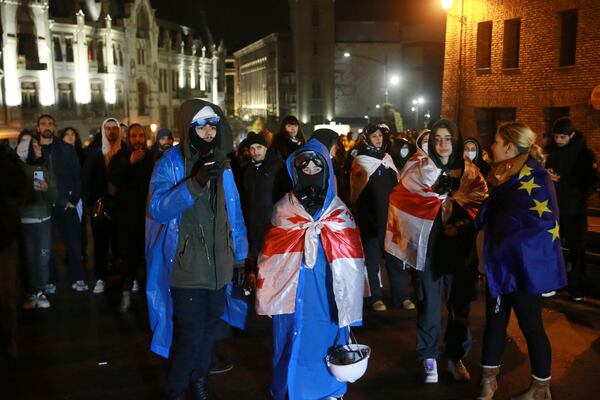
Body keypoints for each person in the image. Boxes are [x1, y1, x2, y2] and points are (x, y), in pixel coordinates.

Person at [146, 100, 247, 400]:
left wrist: (240, 259)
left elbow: (234, 214)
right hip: (186, 267)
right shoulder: (170, 163)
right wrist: (194, 184)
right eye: (200, 125)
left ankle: (200, 381)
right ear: (188, 128)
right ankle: (177, 388)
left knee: (208, 332)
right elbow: (157, 209)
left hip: (219, 266)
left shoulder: (224, 164)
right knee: (190, 333)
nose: (207, 132)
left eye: (212, 125)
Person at [255, 139, 366, 400]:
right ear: (295, 171)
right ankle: (291, 389)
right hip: (292, 291)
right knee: (291, 343)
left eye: (318, 164)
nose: (312, 169)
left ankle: (329, 390)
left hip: (327, 291)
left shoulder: (339, 211)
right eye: (305, 165)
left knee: (327, 340)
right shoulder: (284, 208)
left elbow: (352, 259)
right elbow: (270, 254)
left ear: (327, 168)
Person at [385, 119, 488, 384]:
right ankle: (428, 357)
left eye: (448, 139)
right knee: (428, 305)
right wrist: (434, 202)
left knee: (459, 307)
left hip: (460, 250)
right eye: (437, 139)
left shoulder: (470, 172)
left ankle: (455, 356)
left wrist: (461, 223)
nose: (442, 144)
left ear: (456, 141)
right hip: (428, 251)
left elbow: (480, 204)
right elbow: (399, 199)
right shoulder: (417, 169)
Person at [475, 122, 567, 400]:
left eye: (496, 141)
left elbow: (542, 223)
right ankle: (488, 381)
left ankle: (541, 388)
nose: (491, 146)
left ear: (510, 147)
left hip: (524, 269)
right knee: (494, 323)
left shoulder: (537, 177)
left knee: (531, 325)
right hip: (500, 264)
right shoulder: (500, 174)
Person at [350, 123, 413, 312]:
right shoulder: (360, 160)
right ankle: (375, 297)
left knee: (395, 258)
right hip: (371, 220)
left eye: (380, 136)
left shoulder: (387, 158)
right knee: (373, 260)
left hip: (391, 218)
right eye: (374, 136)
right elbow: (356, 193)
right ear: (367, 138)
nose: (378, 139)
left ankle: (401, 295)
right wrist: (365, 218)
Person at [545, 117, 599, 302]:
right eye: (556, 137)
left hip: (575, 210)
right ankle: (552, 283)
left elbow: (593, 180)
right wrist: (546, 176)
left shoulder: (585, 154)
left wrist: (577, 193)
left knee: (577, 249)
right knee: (551, 248)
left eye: (562, 137)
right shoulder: (548, 152)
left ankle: (576, 287)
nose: (558, 141)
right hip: (552, 209)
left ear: (571, 135)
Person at [107, 123, 155, 312]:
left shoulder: (150, 158)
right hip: (127, 218)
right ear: (127, 138)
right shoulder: (120, 158)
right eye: (134, 136)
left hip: (148, 217)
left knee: (148, 256)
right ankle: (126, 293)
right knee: (128, 256)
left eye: (140, 136)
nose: (137, 140)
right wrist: (130, 163)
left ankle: (148, 295)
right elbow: (114, 178)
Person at [38, 114, 88, 293]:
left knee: (74, 244)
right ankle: (51, 280)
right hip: (45, 205)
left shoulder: (66, 148)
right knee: (47, 246)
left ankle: (78, 278)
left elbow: (77, 175)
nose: (47, 127)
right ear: (38, 128)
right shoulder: (35, 150)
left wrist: (73, 199)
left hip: (66, 203)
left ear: (54, 127)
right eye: (43, 124)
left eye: (50, 124)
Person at [16, 130, 58, 309]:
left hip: (44, 219)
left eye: (38, 146)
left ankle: (40, 290)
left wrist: (46, 188)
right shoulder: (18, 169)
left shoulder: (44, 168)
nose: (39, 148)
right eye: (34, 146)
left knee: (43, 257)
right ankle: (30, 292)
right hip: (26, 221)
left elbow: (53, 196)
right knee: (29, 258)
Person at [83, 118, 122, 294]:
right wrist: (90, 202)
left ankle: (123, 278)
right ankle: (100, 277)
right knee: (100, 243)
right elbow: (87, 179)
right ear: (103, 130)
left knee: (120, 242)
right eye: (108, 128)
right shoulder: (94, 152)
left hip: (121, 205)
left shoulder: (124, 151)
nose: (112, 131)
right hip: (100, 205)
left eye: (115, 128)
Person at [0, 140, 27, 362]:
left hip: (3, 238)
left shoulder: (3, 161)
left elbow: (20, 188)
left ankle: (9, 341)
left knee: (6, 297)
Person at [241, 132, 284, 261]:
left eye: (259, 147)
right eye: (252, 149)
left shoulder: (277, 167)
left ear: (266, 148)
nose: (256, 152)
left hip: (273, 221)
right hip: (254, 224)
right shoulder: (247, 170)